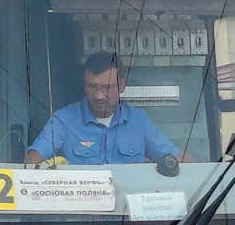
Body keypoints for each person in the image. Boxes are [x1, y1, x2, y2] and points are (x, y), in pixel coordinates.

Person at [26, 53, 180, 166]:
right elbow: (32, 161)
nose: (99, 95)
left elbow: (177, 160)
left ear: (122, 85)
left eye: (106, 87)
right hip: (81, 206)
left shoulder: (138, 120)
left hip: (127, 206)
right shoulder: (63, 120)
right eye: (92, 87)